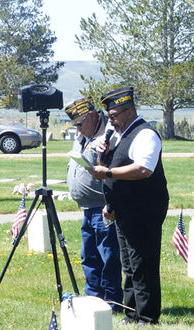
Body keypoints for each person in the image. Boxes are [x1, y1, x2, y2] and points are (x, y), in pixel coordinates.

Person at [89, 87, 169, 326]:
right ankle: (132, 312)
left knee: (143, 262)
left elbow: (143, 169)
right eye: (109, 117)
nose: (110, 121)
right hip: (124, 208)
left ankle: (148, 316)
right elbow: (109, 173)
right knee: (128, 263)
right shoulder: (118, 134)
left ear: (129, 110)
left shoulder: (145, 135)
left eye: (114, 116)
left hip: (144, 207)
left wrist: (109, 171)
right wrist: (103, 159)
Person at [64, 96, 123, 312]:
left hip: (103, 207)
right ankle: (93, 299)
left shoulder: (108, 134)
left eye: (80, 123)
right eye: (75, 125)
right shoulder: (84, 134)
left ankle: (111, 301)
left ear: (91, 116)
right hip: (87, 209)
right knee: (88, 256)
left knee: (108, 255)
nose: (78, 129)